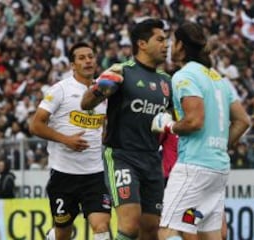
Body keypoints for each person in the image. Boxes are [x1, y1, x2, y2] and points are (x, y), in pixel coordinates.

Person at [151, 21, 250, 240]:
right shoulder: (217, 78)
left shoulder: (184, 76)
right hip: (218, 167)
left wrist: (169, 125)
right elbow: (243, 120)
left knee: (167, 231)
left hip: (194, 166)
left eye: (173, 41)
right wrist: (219, 146)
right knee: (209, 235)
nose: (170, 46)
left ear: (181, 46)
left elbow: (195, 121)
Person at [81, 19, 171, 240]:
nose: (166, 45)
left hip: (152, 159)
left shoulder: (167, 82)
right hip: (122, 156)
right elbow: (86, 103)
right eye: (160, 39)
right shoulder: (121, 71)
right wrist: (101, 89)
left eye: (166, 40)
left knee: (151, 227)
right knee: (130, 225)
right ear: (142, 44)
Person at [29, 42, 111, 240]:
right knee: (63, 233)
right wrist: (65, 140)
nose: (88, 61)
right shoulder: (60, 90)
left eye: (90, 56)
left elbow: (104, 125)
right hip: (64, 175)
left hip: (95, 174)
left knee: (102, 227)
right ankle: (53, 235)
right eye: (81, 58)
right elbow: (35, 125)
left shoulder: (105, 90)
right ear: (73, 65)